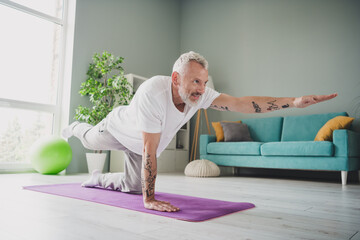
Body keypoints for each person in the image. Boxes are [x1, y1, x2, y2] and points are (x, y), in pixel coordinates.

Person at [62, 51, 338, 213]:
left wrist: (294, 101)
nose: (201, 88)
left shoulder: (201, 96)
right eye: (195, 81)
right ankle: (75, 127)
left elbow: (241, 104)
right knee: (89, 139)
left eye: (204, 82)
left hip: (143, 145)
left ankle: (99, 178)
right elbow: (149, 149)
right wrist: (151, 200)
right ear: (175, 78)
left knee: (132, 187)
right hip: (118, 129)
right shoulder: (152, 93)